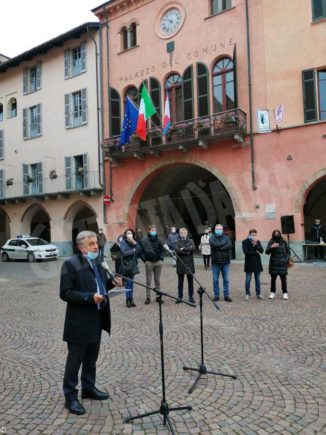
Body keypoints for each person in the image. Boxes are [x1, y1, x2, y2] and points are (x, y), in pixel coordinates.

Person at [60, 230, 122, 415]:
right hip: (79, 322)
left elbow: (100, 284)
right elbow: (65, 293)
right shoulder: (70, 264)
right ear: (80, 247)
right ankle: (70, 397)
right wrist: (89, 297)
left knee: (91, 359)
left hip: (97, 318)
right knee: (75, 361)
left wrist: (113, 283)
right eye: (91, 244)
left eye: (96, 243)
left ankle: (88, 388)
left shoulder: (96, 261)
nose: (96, 246)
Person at [139, 224, 164, 304]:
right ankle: (148, 297)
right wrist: (145, 260)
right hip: (149, 262)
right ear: (149, 231)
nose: (154, 231)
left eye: (155, 230)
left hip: (158, 262)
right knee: (148, 281)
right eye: (152, 230)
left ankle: (158, 297)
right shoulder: (144, 240)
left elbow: (162, 250)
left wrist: (161, 259)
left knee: (157, 280)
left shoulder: (159, 239)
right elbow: (141, 251)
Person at [118, 228, 141, 308]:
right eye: (128, 233)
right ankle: (127, 300)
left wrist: (134, 243)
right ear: (125, 235)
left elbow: (139, 250)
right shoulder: (123, 242)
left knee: (131, 283)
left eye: (131, 233)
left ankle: (131, 299)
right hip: (126, 265)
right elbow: (123, 253)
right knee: (127, 283)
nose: (129, 234)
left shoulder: (134, 242)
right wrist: (133, 251)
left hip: (133, 265)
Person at [209, 224, 233, 302]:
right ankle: (216, 295)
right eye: (217, 229)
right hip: (215, 262)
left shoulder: (226, 237)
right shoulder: (212, 237)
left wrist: (218, 248)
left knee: (226, 279)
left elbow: (229, 245)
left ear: (222, 230)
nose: (218, 230)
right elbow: (213, 244)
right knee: (215, 280)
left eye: (220, 229)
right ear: (215, 230)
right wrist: (223, 244)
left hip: (225, 262)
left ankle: (226, 295)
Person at [265, 229, 290, 300]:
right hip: (273, 263)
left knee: (283, 280)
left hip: (282, 263)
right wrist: (271, 247)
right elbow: (267, 252)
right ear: (273, 235)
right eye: (275, 234)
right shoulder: (271, 241)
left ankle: (285, 293)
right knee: (273, 279)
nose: (276, 235)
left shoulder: (283, 241)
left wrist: (286, 260)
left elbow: (288, 252)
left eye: (277, 234)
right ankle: (272, 292)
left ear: (280, 234)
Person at [174, 227, 196, 304]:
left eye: (183, 233)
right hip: (180, 264)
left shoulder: (191, 241)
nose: (182, 234)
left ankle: (191, 297)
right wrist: (187, 251)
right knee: (180, 282)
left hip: (189, 264)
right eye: (180, 233)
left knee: (190, 282)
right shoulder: (177, 242)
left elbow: (193, 248)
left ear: (186, 233)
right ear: (179, 234)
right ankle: (180, 297)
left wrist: (183, 249)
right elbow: (177, 250)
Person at [242, 229, 264, 301]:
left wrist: (256, 245)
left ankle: (258, 293)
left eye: (255, 235)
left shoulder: (257, 242)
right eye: (253, 235)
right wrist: (255, 253)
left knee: (257, 279)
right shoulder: (244, 242)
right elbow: (246, 252)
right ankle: (247, 293)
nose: (254, 236)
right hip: (249, 262)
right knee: (248, 279)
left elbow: (261, 251)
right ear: (249, 234)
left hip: (257, 262)